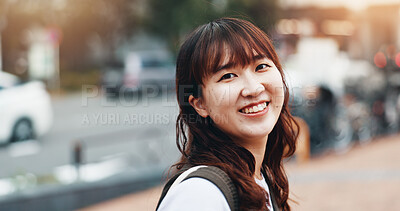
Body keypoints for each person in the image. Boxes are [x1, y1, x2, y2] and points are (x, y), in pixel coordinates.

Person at [157, 17, 298, 211]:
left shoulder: (259, 177)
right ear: (200, 104)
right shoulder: (200, 195)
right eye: (228, 76)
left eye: (261, 67)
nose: (253, 88)